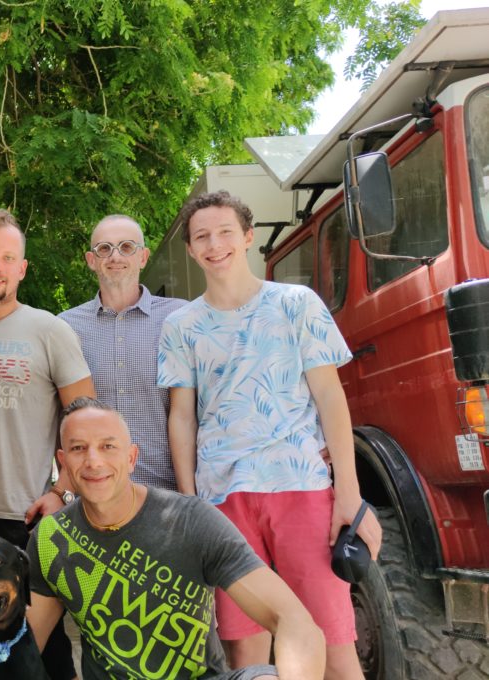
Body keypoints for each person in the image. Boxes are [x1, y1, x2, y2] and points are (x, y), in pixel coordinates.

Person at [0, 398, 327, 680]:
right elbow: (22, 639)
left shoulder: (192, 521)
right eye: (78, 449)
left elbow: (293, 621)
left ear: (131, 458)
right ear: (63, 464)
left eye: (108, 447)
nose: (93, 461)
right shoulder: (52, 539)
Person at [158, 190, 382, 679]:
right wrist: (191, 503)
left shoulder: (296, 303)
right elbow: (182, 415)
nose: (214, 244)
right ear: (192, 250)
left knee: (332, 644)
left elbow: (330, 398)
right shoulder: (181, 326)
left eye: (224, 233)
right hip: (224, 499)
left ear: (247, 237)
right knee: (245, 651)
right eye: (202, 237)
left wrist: (349, 493)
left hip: (300, 486)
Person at [0, 209, 93, 680]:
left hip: (30, 517)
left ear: (21, 268)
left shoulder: (49, 330)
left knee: (44, 655)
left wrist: (63, 493)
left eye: (6, 257)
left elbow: (85, 425)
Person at [59, 215, 186, 491]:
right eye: (104, 248)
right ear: (91, 260)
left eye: (127, 247)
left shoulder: (180, 317)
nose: (115, 256)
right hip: (95, 494)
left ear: (143, 257)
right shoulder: (65, 327)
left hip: (166, 491)